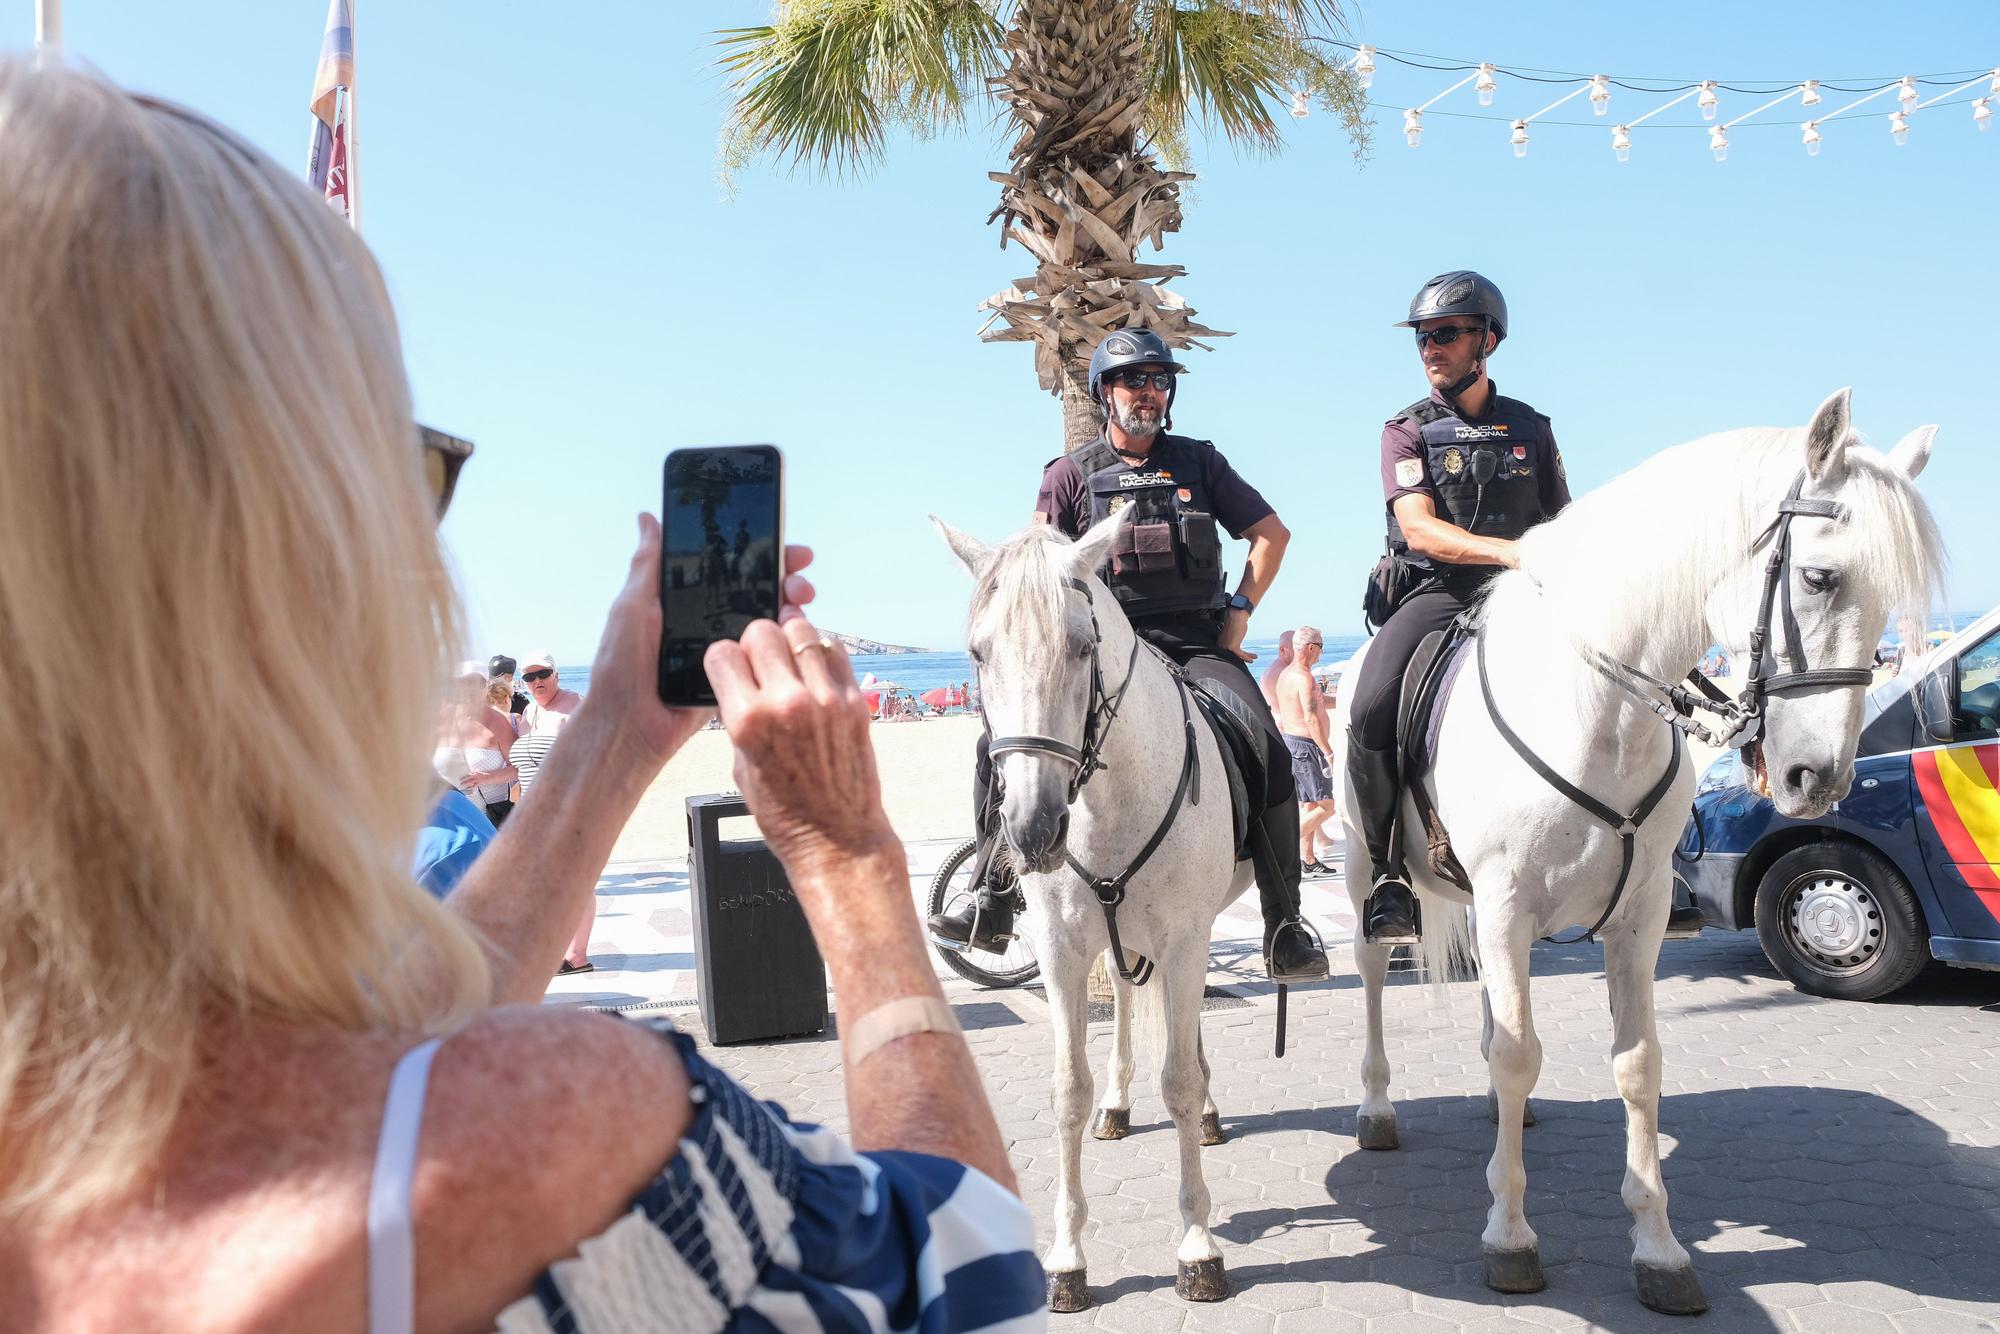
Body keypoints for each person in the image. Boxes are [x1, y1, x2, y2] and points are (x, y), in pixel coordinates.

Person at [0, 60, 1039, 1332]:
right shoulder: (556, 1139)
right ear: (279, 551)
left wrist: (613, 731)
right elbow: (974, 1273)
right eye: (406, 462)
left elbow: (362, 1039)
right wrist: (847, 856)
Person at [928, 327, 1329, 983]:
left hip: (1194, 644)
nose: (1148, 392)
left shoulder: (1202, 463)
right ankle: (990, 897)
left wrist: (1240, 611)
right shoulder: (1070, 476)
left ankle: (1284, 920)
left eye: (1158, 381)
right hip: (1104, 654)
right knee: (992, 748)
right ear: (1104, 392)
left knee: (1265, 744)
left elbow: (1270, 535)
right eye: (1133, 380)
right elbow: (1037, 567)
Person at [1346, 272, 1572, 945]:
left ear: (1487, 341)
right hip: (1438, 593)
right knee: (1368, 707)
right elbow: (1417, 529)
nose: (1430, 348)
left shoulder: (1532, 427)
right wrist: (1508, 554)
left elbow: (1562, 517)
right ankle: (1389, 876)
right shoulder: (1406, 430)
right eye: (1423, 337)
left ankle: (1658, 863)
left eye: (1444, 334)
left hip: (1529, 590)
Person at [1276, 626, 1338, 875]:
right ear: (1312, 647)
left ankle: (1308, 860)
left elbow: (1320, 703)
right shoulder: (1305, 678)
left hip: (1292, 743)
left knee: (1310, 806)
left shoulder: (1287, 675)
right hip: (1307, 746)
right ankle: (1281, 845)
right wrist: (1328, 752)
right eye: (1321, 647)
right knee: (1328, 805)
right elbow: (1311, 718)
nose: (1321, 653)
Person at [433, 661, 519, 825]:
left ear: (486, 686)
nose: (470, 688)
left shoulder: (499, 723)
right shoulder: (442, 719)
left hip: (493, 817)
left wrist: (487, 778)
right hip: (449, 816)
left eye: (477, 683)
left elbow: (518, 768)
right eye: (465, 683)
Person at [1259, 629, 1296, 709]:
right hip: (1283, 719)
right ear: (1282, 650)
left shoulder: (1274, 667)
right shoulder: (1284, 673)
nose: (1300, 652)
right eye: (1296, 648)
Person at [489, 653, 531, 717]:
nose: (503, 681)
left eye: (508, 677)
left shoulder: (520, 701)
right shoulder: (482, 701)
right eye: (496, 678)